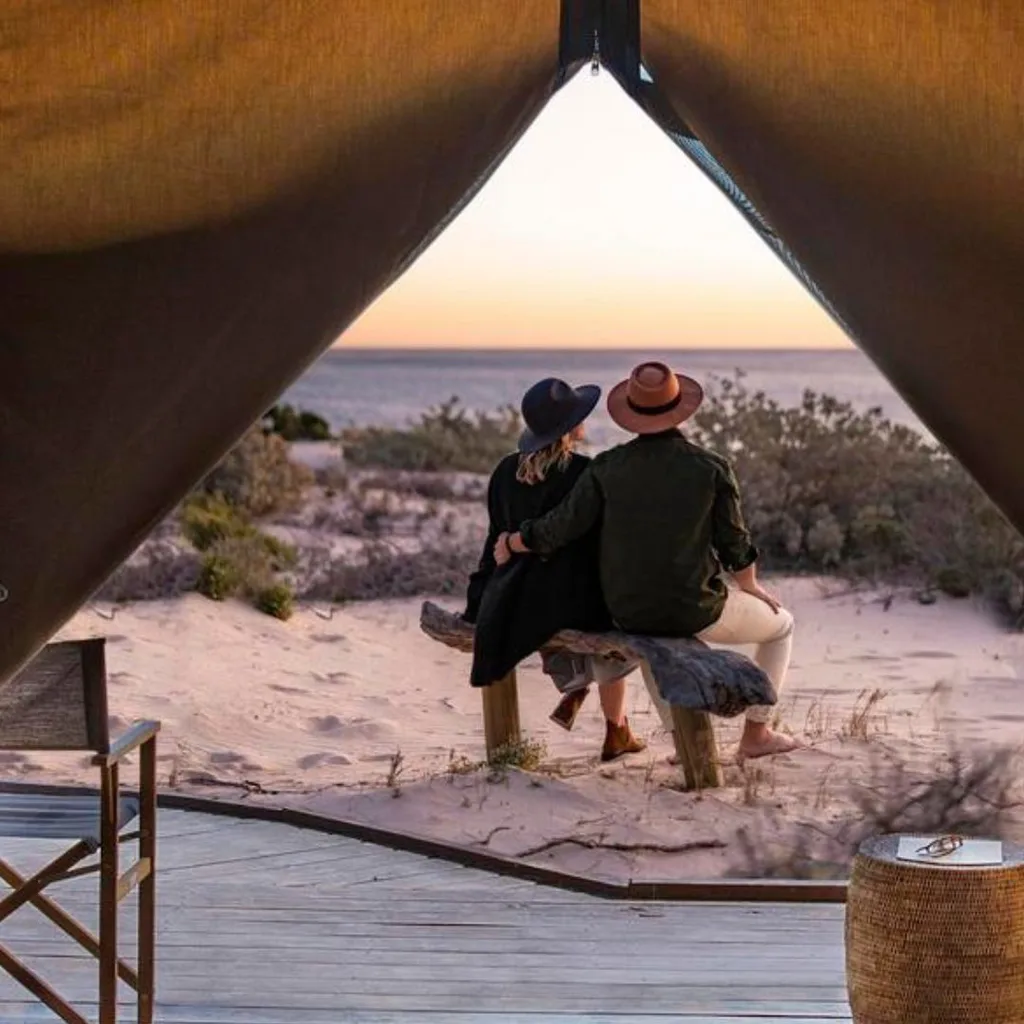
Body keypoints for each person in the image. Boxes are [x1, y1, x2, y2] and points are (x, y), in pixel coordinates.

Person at [494, 361, 798, 762]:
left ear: (631, 414)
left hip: (628, 611)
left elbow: (558, 528)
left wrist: (514, 541)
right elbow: (735, 544)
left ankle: (683, 744)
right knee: (781, 627)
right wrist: (750, 585)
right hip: (695, 609)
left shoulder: (606, 467)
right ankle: (756, 734)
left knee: (653, 636)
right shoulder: (710, 466)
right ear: (680, 409)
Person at [463, 377, 647, 762]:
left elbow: (494, 539)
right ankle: (614, 726)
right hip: (570, 597)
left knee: (563, 611)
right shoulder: (585, 471)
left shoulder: (503, 472)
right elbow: (603, 541)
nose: (586, 421)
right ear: (569, 429)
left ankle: (580, 688)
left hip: (515, 591)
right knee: (617, 631)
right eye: (580, 416)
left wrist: (481, 593)